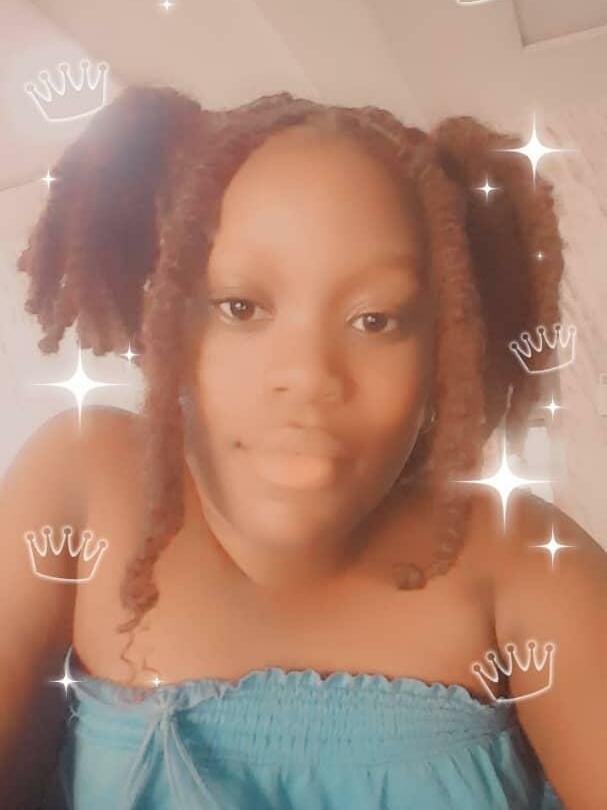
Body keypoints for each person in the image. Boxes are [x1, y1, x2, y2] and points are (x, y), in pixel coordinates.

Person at [2, 86, 605, 809]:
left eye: (376, 320)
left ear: (445, 352)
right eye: (240, 307)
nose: (310, 375)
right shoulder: (88, 482)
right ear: (161, 316)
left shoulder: (527, 566)